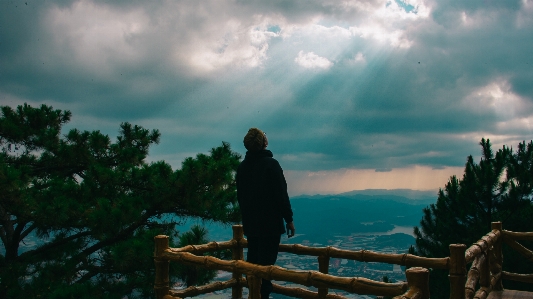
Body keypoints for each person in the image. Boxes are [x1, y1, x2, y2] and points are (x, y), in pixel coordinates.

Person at [236, 128, 295, 299]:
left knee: (253, 264)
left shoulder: (242, 167)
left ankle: (254, 295)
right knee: (266, 267)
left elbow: (241, 198)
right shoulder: (271, 165)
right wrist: (289, 219)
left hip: (251, 226)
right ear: (264, 143)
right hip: (270, 226)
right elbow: (281, 195)